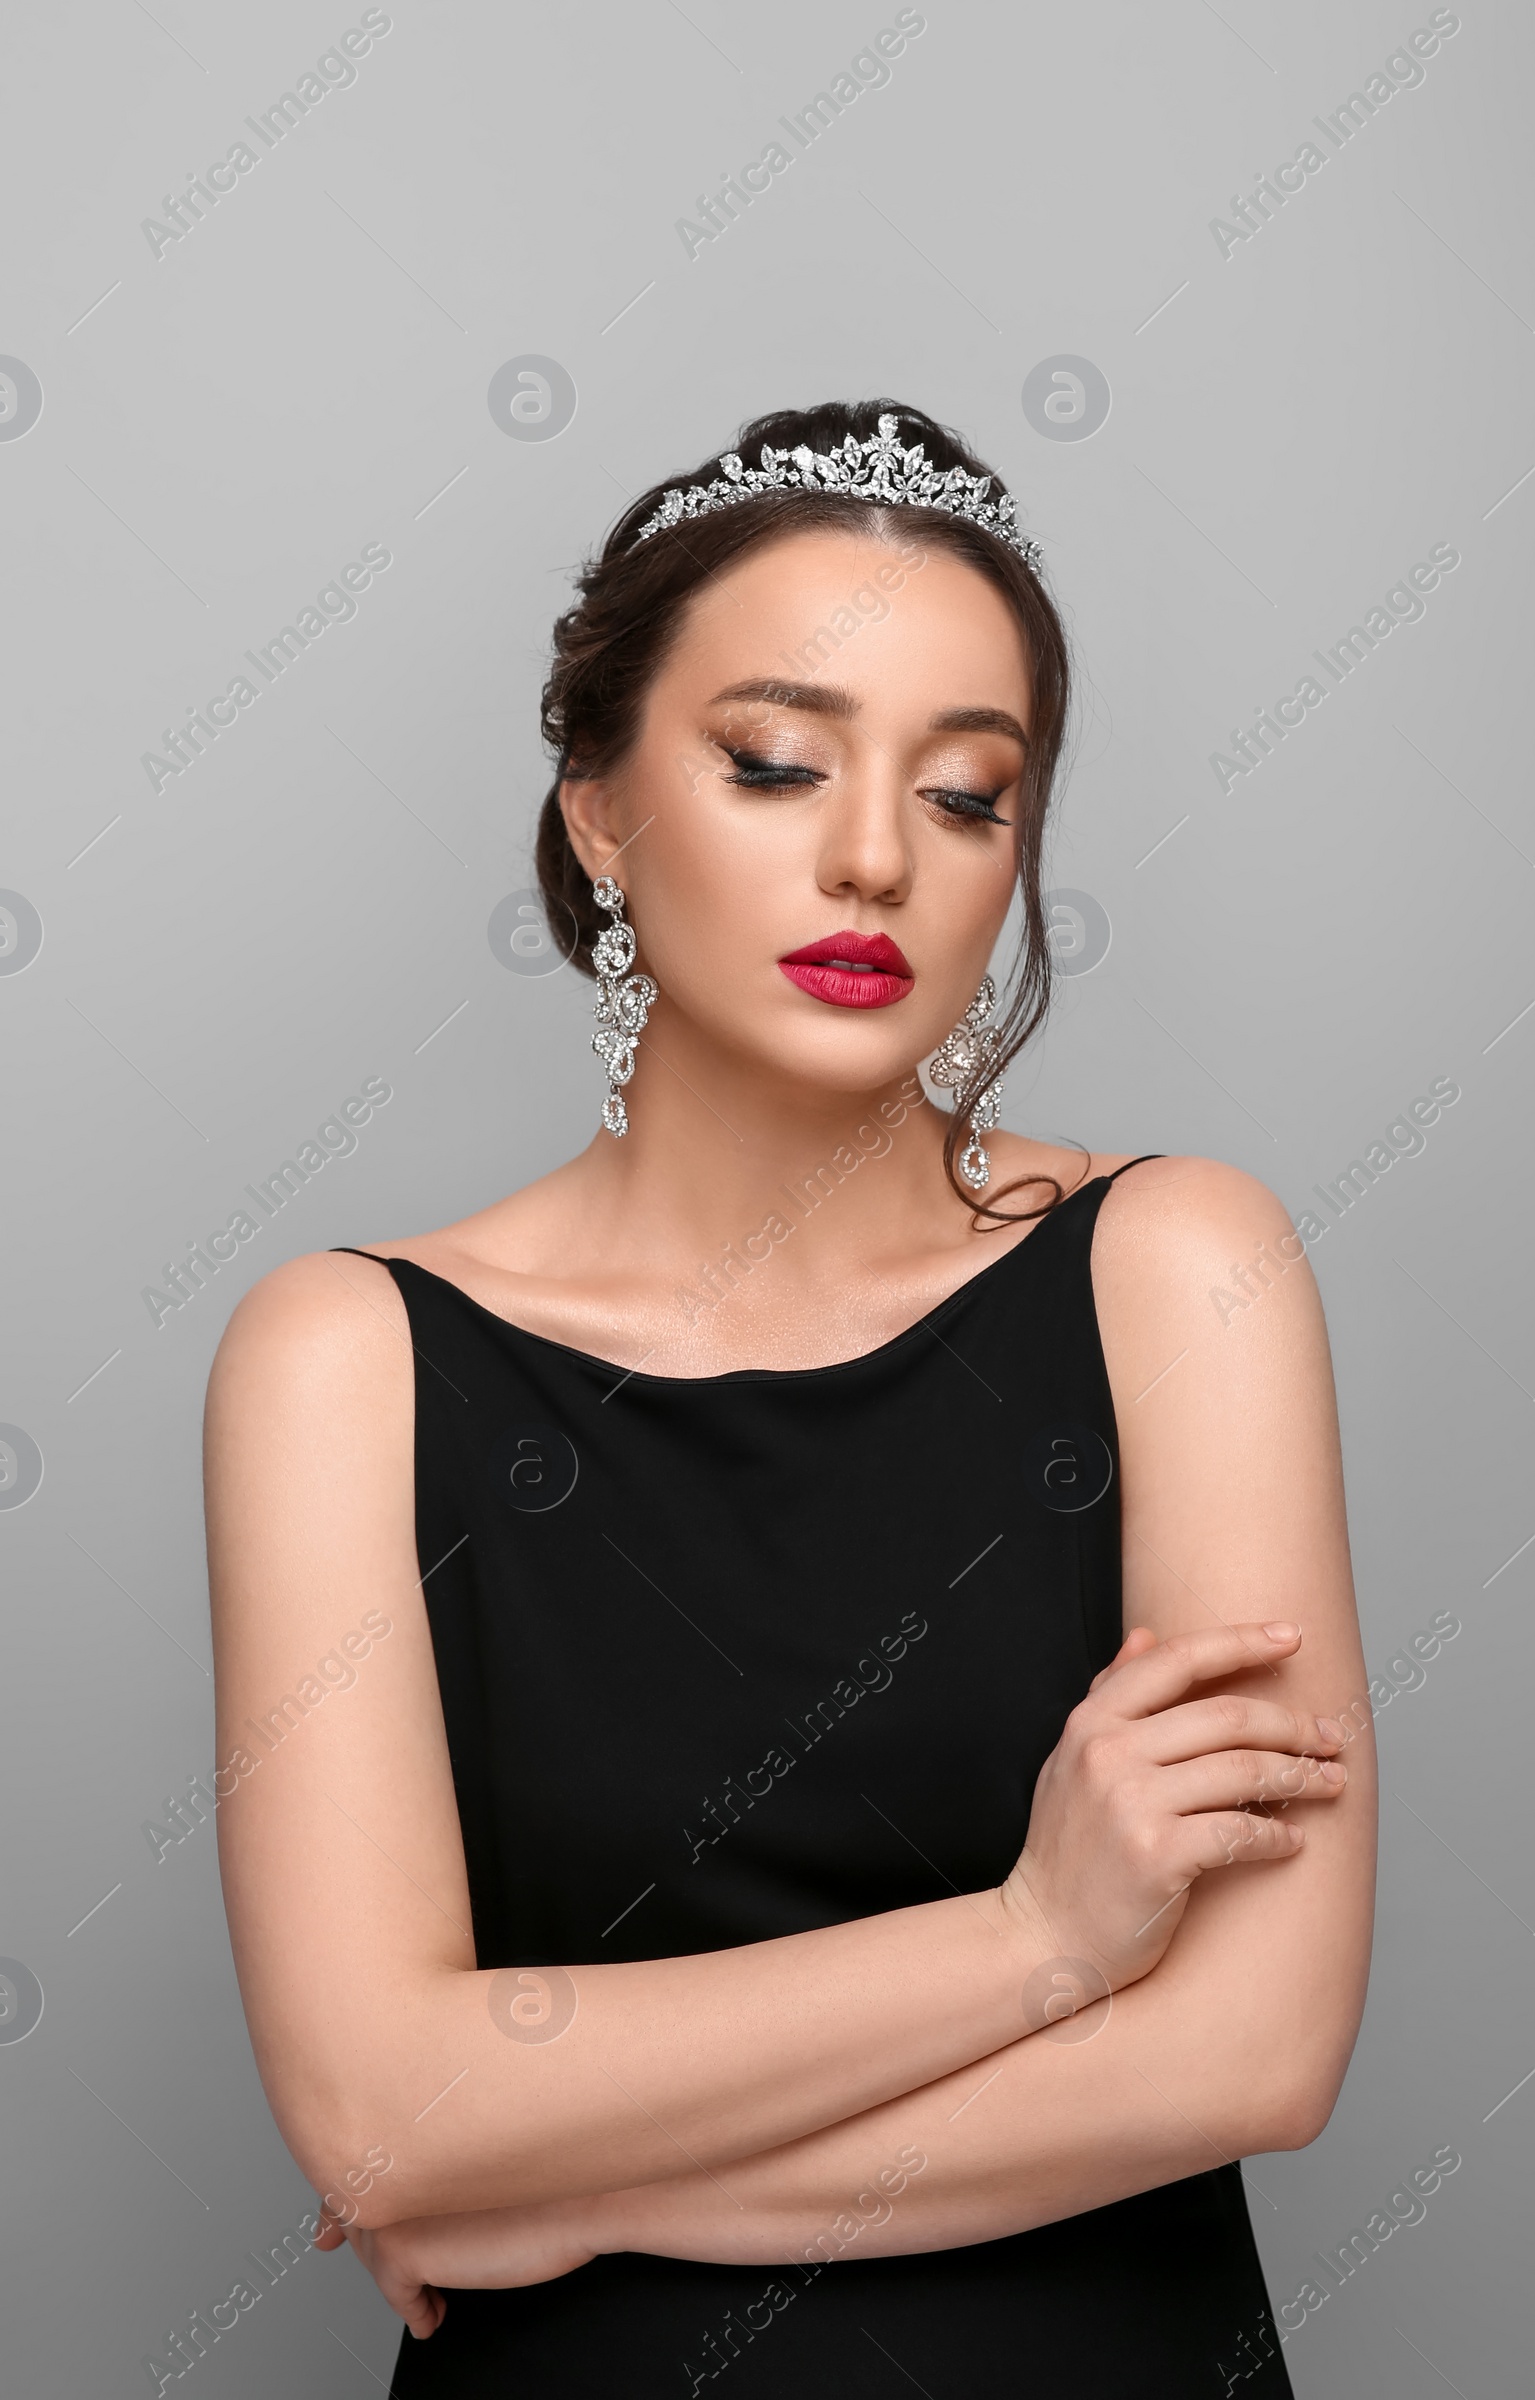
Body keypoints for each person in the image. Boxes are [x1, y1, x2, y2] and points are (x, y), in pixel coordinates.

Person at [205, 400, 1375, 2396]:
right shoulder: (343, 1360)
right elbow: (378, 2110)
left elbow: (1249, 2058)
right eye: (773, 763)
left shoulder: (1184, 1268)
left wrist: (570, 2192)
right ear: (595, 807)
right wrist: (1036, 1942)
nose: (870, 859)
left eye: (965, 798)